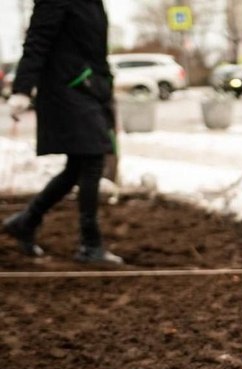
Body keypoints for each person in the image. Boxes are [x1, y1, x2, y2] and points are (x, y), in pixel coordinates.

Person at [2, 0, 123, 264]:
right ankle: (90, 244)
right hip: (66, 88)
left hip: (90, 88)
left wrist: (104, 89)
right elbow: (37, 39)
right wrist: (22, 89)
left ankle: (26, 221)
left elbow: (93, 49)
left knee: (77, 167)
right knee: (92, 158)